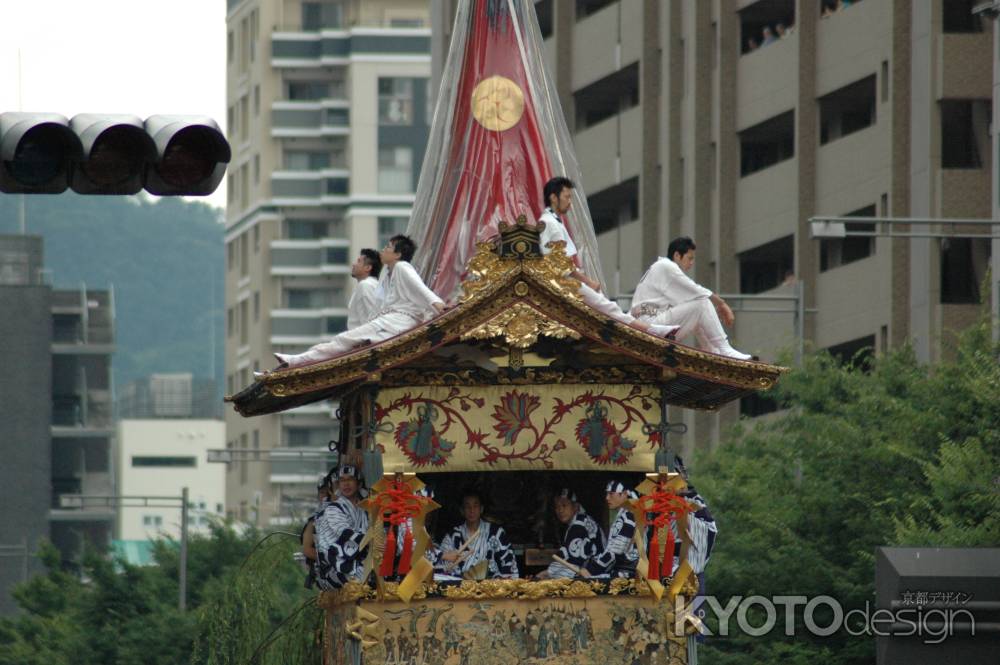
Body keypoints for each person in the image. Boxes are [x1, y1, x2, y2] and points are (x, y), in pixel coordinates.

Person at [259, 235, 446, 374]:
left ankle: (296, 362)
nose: (384, 249)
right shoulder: (385, 277)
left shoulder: (402, 267)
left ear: (397, 254)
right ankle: (297, 363)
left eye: (388, 247)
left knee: (343, 342)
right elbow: (378, 309)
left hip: (398, 322)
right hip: (389, 322)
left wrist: (438, 305)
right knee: (345, 343)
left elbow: (420, 288)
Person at [535, 177, 677, 338]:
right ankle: (650, 330)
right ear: (554, 197)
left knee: (605, 308)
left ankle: (648, 329)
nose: (569, 202)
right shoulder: (548, 223)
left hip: (564, 281)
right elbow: (557, 263)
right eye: (566, 197)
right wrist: (587, 281)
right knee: (606, 307)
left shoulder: (553, 222)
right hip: (561, 283)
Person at [630, 236, 752, 360]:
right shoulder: (665, 266)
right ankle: (724, 349)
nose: (692, 262)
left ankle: (714, 351)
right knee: (701, 303)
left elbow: (691, 303)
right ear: (677, 255)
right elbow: (696, 290)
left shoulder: (661, 269)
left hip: (649, 323)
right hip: (650, 325)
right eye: (690, 258)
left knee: (696, 308)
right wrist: (721, 304)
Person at [438, 489, 519, 579]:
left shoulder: (496, 533)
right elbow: (441, 564)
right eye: (467, 506)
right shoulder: (452, 536)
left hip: (490, 587)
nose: (471, 510)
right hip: (461, 587)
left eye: (475, 506)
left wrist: (502, 580)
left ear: (481, 509)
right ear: (462, 510)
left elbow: (509, 562)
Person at [314, 464, 369, 589]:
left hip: (362, 558)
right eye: (342, 481)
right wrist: (371, 540)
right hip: (338, 565)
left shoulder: (366, 509)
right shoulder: (333, 509)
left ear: (359, 483)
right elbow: (345, 534)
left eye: (350, 479)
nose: (346, 484)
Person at [536, 488, 606, 579]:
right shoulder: (582, 520)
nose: (560, 510)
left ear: (575, 507)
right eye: (557, 507)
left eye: (564, 505)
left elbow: (573, 562)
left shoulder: (579, 525)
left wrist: (546, 574)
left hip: (596, 576)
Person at [583, 480, 639, 579]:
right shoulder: (633, 512)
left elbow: (614, 553)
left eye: (611, 494)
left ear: (625, 494)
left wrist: (592, 570)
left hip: (626, 574)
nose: (607, 498)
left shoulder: (628, 516)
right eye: (607, 494)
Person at [347, 248, 382, 330]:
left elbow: (373, 319)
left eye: (359, 261)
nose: (354, 264)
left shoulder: (366, 285)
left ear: (368, 267)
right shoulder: (374, 285)